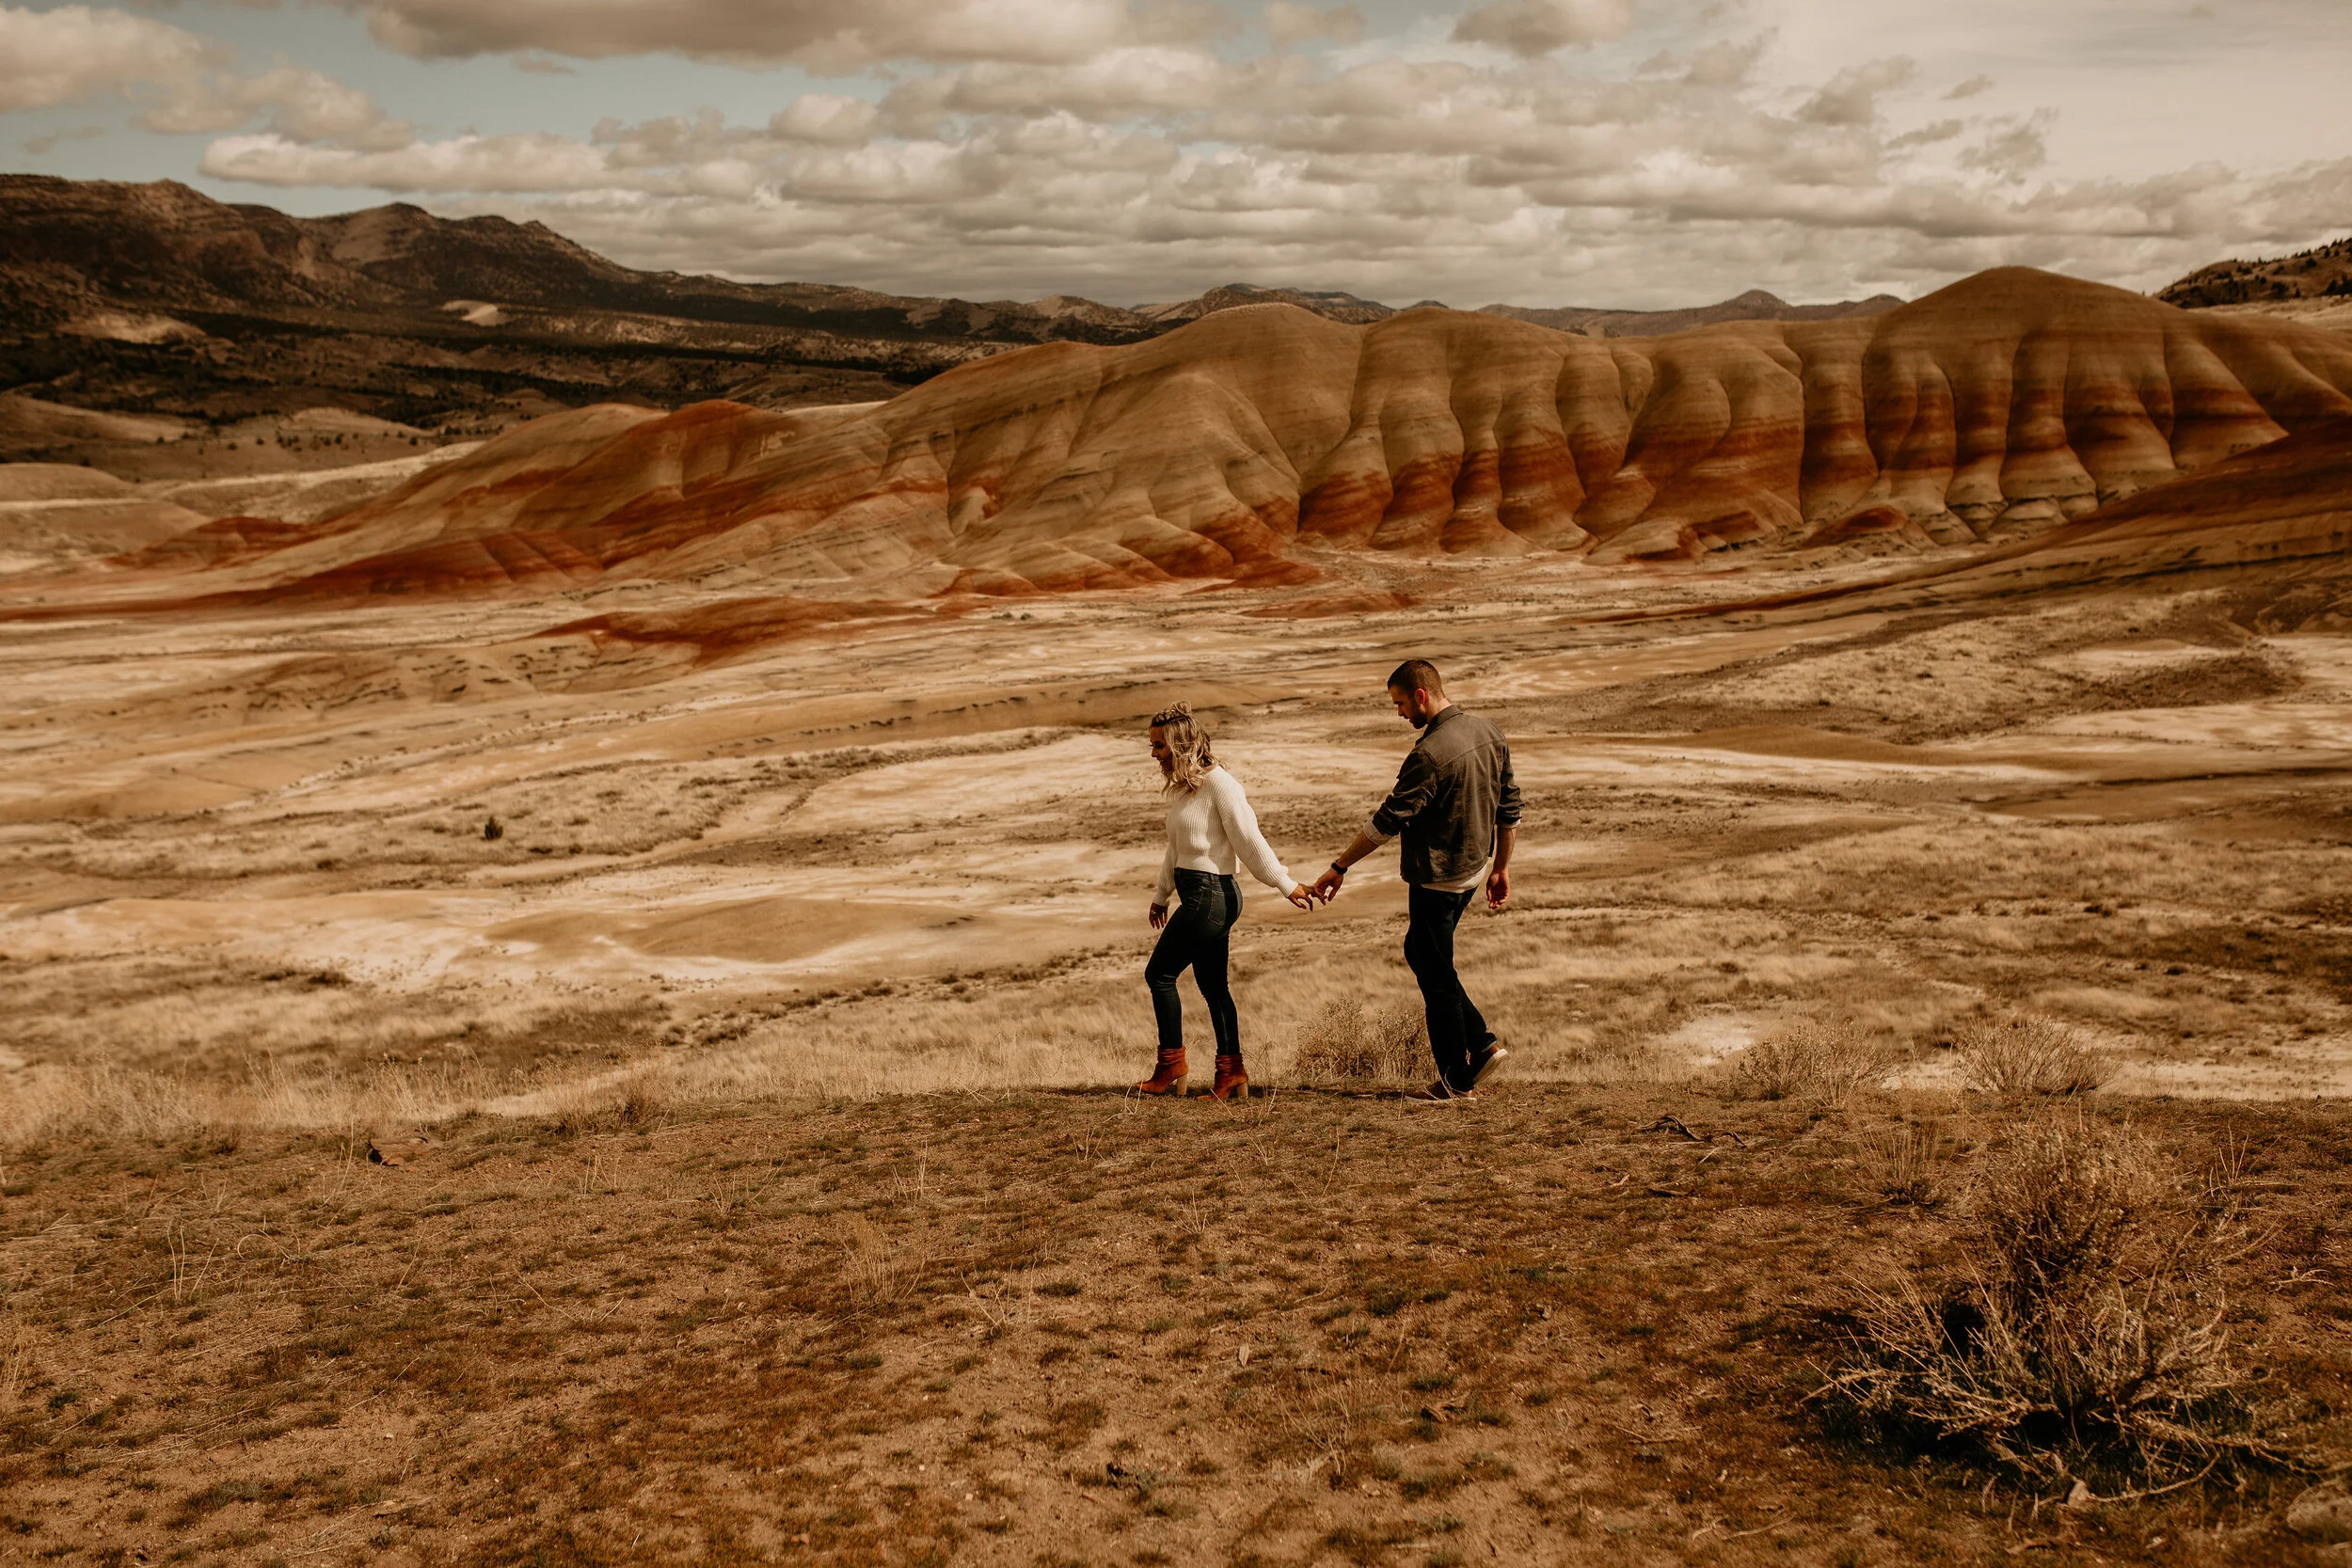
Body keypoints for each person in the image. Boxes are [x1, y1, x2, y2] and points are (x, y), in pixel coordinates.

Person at [1311, 659, 1521, 1101]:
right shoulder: (1489, 732)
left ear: (1421, 695)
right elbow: (1510, 807)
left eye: (1400, 703)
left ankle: (1456, 1077)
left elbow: (1387, 821)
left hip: (1437, 881)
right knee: (1423, 954)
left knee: (1436, 976)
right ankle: (1480, 1045)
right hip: (1472, 871)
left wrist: (1340, 865)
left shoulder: (1428, 755)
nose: (1399, 713)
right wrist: (1501, 867)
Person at [1136, 703, 1315, 1101]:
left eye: (1159, 746)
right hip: (1200, 894)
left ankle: (1171, 1065)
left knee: (1159, 975)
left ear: (1181, 745)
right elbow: (1175, 847)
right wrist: (1161, 895)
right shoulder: (1187, 789)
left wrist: (1285, 884)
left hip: (1209, 897)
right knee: (1214, 987)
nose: (1153, 755)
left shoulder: (1222, 785)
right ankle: (1231, 1073)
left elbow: (1249, 840)